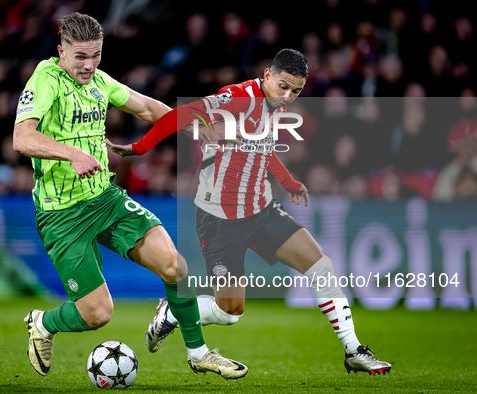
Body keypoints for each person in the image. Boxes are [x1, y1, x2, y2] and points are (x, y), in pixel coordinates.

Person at [108, 49, 392, 375]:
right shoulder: (236, 97)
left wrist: (289, 182)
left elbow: (263, 150)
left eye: (296, 91)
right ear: (268, 75)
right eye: (283, 86)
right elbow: (180, 115)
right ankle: (172, 312)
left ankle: (353, 350)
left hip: (261, 210)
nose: (287, 97)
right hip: (220, 219)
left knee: (320, 266)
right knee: (230, 313)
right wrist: (140, 148)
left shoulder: (273, 108)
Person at [12, 12, 247, 380]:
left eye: (96, 55)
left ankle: (198, 353)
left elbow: (148, 108)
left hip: (105, 200)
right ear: (61, 51)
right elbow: (22, 138)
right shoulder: (46, 80)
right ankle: (43, 323)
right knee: (97, 314)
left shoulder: (99, 82)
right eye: (80, 57)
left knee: (175, 267)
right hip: (61, 215)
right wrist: (74, 154)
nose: (89, 65)